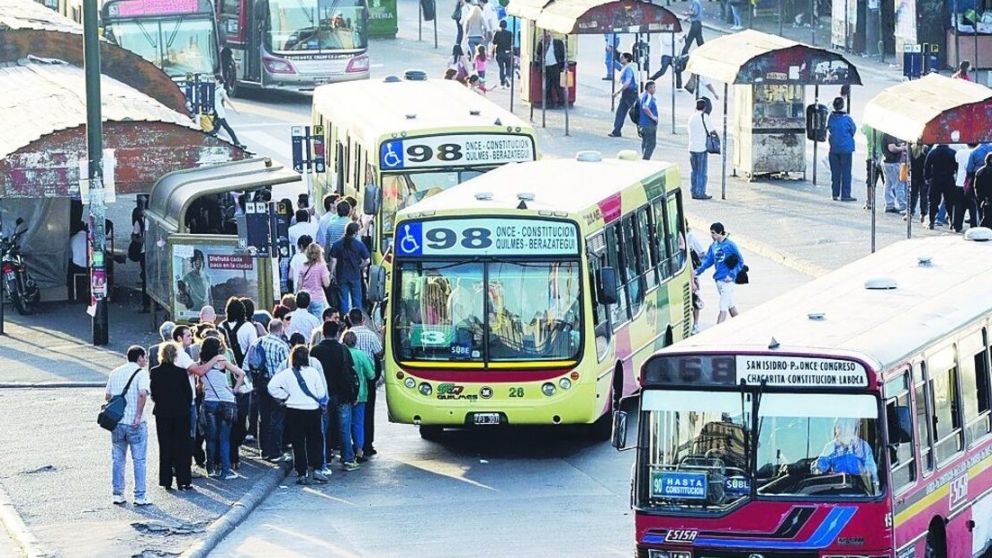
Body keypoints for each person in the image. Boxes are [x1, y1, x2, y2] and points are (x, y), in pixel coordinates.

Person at [267, 345, 329, 485]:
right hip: (312, 410)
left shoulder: (288, 373)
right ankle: (317, 468)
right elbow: (320, 393)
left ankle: (302, 473)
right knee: (316, 440)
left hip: (294, 410)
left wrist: (285, 396)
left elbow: (271, 386)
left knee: (298, 442)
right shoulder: (313, 372)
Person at [310, 320, 359, 470]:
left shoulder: (315, 351)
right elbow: (350, 370)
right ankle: (348, 459)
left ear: (323, 333)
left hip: (322, 395)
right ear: (338, 333)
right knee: (344, 428)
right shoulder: (343, 349)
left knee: (323, 429)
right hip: (342, 394)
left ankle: (323, 459)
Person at [106, 346, 151, 506]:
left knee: (118, 459)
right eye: (144, 357)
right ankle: (140, 495)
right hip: (135, 423)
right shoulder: (141, 374)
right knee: (139, 460)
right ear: (139, 358)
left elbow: (108, 395)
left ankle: (118, 494)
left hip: (117, 422)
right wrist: (138, 415)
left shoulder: (115, 372)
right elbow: (142, 393)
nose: (145, 360)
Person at [199, 337, 245, 480]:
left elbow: (198, 380)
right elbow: (241, 374)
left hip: (210, 402)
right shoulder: (222, 361)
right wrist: (235, 389)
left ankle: (210, 469)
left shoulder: (200, 364)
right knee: (224, 438)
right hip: (226, 400)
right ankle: (226, 470)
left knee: (210, 438)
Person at [150, 342, 194, 491]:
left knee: (165, 446)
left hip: (163, 412)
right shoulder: (181, 373)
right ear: (175, 356)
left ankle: (166, 479)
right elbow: (188, 394)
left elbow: (154, 393)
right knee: (182, 446)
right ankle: (184, 480)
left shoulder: (155, 372)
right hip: (180, 412)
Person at [347, 308, 383, 457]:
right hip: (367, 378)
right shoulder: (370, 335)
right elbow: (379, 353)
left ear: (349, 320)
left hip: (350, 380)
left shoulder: (346, 335)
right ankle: (367, 444)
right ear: (362, 319)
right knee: (368, 413)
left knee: (351, 415)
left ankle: (354, 444)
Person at [255, 319, 292, 461]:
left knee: (263, 417)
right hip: (277, 384)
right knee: (277, 417)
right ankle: (275, 451)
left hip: (261, 383)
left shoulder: (258, 342)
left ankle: (264, 450)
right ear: (281, 329)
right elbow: (288, 369)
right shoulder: (282, 346)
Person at [694, 222, 744, 324]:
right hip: (718, 280)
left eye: (713, 233)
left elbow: (740, 261)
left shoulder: (730, 245)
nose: (712, 236)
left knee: (723, 307)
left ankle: (717, 332)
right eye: (711, 233)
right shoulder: (713, 246)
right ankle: (741, 325)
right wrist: (697, 272)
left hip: (727, 281)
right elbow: (708, 261)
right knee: (731, 306)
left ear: (720, 232)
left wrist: (732, 275)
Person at [812, 418, 879, 490]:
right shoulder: (830, 447)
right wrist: (818, 468)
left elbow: (872, 474)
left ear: (853, 429)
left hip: (860, 493)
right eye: (839, 427)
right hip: (835, 491)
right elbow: (818, 470)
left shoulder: (862, 447)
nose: (842, 431)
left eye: (846, 426)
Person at [342, 331, 376, 463]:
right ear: (355, 342)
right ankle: (359, 451)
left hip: (344, 394)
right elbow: (371, 375)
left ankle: (346, 452)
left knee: (345, 424)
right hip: (361, 394)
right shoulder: (362, 355)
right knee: (358, 423)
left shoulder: (342, 354)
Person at [330, 222, 370, 313]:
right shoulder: (359, 245)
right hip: (355, 275)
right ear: (355, 233)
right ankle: (357, 318)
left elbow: (333, 260)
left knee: (343, 300)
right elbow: (367, 260)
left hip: (341, 275)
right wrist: (360, 266)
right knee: (357, 299)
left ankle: (344, 319)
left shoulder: (337, 244)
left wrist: (332, 273)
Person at [827, 96, 857, 202]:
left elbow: (829, 128)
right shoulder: (847, 118)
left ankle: (835, 193)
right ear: (842, 106)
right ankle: (845, 194)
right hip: (846, 149)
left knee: (835, 173)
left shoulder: (831, 117)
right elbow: (853, 130)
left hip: (834, 149)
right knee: (846, 172)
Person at [296, 243, 332, 318]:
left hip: (305, 299)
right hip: (317, 297)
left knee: (306, 319)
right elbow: (326, 284)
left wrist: (296, 295)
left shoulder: (303, 266)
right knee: (318, 321)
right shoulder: (322, 266)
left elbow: (299, 284)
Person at [687, 99, 714, 200]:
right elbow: (711, 130)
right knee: (701, 172)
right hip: (701, 148)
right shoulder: (704, 117)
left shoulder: (691, 117)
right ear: (705, 107)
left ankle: (693, 191)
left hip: (691, 147)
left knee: (694, 171)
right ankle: (700, 192)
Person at [609, 53, 638, 138]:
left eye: (622, 58)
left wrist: (617, 92)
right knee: (623, 112)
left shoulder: (628, 69)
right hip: (630, 92)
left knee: (628, 112)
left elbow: (627, 82)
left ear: (626, 59)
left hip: (629, 92)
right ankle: (616, 131)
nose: (620, 59)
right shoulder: (629, 67)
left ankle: (617, 131)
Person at [535, 30, 566, 108]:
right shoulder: (542, 43)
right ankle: (549, 102)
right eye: (545, 36)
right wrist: (541, 43)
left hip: (555, 66)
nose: (547, 37)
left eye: (548, 35)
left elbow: (562, 54)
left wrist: (562, 66)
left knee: (557, 85)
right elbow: (538, 53)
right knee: (547, 86)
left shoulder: (557, 43)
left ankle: (561, 102)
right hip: (546, 67)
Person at [211, 74, 243, 148]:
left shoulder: (221, 90)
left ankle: (236, 141)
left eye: (214, 80)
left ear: (218, 80)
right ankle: (235, 142)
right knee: (215, 128)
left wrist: (235, 109)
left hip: (219, 112)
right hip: (215, 112)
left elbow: (227, 100)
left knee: (225, 127)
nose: (213, 81)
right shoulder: (216, 88)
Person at [953, 144, 978, 232]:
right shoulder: (975, 153)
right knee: (972, 207)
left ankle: (957, 226)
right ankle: (973, 226)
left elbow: (956, 162)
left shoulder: (960, 152)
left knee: (959, 206)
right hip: (971, 183)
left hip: (960, 182)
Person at [881, 134, 908, 214]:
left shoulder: (886, 134)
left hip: (886, 162)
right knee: (899, 184)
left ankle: (889, 204)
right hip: (892, 163)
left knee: (888, 184)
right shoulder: (890, 135)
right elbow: (892, 148)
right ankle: (903, 205)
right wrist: (902, 148)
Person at [639, 81, 659, 160]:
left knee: (645, 142)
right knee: (651, 144)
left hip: (642, 124)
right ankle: (645, 160)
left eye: (654, 87)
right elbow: (645, 107)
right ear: (648, 88)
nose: (654, 89)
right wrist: (653, 117)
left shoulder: (642, 96)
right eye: (652, 87)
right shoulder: (649, 97)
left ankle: (644, 157)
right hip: (649, 124)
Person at [491, 20, 513, 87]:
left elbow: (494, 42)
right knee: (508, 66)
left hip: (499, 52)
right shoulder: (510, 33)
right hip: (508, 52)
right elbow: (512, 43)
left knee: (501, 68)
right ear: (506, 25)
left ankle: (502, 82)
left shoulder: (497, 33)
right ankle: (508, 76)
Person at [976, 152, 992, 228]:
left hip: (985, 199)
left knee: (986, 218)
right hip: (988, 199)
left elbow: (976, 187)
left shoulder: (980, 171)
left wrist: (981, 198)